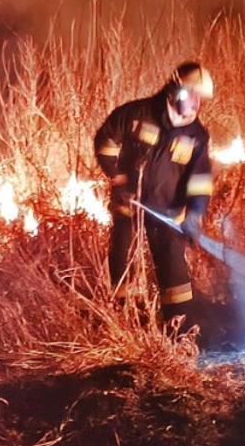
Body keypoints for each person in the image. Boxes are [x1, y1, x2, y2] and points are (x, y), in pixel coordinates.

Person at [92, 62, 216, 326]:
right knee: (124, 268)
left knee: (176, 279)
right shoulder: (136, 114)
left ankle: (179, 339)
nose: (195, 104)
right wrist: (117, 178)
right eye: (190, 95)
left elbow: (200, 180)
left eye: (200, 99)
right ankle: (130, 331)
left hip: (170, 215)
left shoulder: (196, 135)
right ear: (173, 90)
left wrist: (194, 214)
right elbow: (105, 140)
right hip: (130, 209)